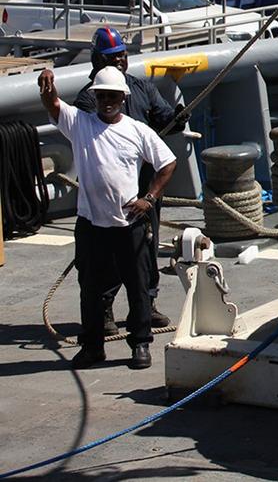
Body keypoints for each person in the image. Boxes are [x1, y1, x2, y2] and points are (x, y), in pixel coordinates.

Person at [39, 65, 177, 370]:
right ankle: (92, 347)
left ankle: (140, 343)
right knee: (90, 289)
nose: (107, 101)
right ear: (96, 97)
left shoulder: (138, 131)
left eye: (113, 96)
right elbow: (54, 105)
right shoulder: (80, 123)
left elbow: (167, 163)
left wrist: (149, 198)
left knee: (138, 287)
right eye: (102, 96)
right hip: (91, 226)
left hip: (129, 226)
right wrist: (47, 87)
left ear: (123, 98)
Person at [74, 27, 184, 330]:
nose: (120, 60)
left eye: (122, 55)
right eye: (112, 57)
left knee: (146, 249)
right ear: (98, 60)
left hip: (145, 187)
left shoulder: (141, 87)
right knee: (108, 257)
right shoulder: (89, 99)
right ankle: (105, 308)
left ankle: (147, 304)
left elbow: (162, 118)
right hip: (110, 197)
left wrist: (176, 119)